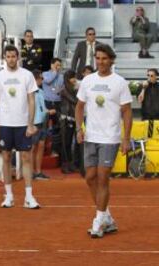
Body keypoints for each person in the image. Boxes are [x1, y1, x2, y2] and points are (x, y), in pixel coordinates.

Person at [75, 44, 132, 238]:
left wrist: (126, 138)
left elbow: (127, 111)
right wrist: (79, 129)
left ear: (111, 60)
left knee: (102, 176)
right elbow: (79, 106)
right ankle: (107, 217)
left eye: (104, 58)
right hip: (91, 136)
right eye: (98, 58)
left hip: (110, 137)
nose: (100, 62)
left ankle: (98, 221)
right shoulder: (87, 81)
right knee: (90, 177)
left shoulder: (120, 82)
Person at [0, 45, 40, 209]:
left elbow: (32, 100)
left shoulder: (27, 75)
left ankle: (29, 196)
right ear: (5, 58)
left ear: (18, 57)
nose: (11, 59)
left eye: (14, 56)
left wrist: (30, 123)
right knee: (5, 158)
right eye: (8, 56)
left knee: (26, 158)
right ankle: (9, 196)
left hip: (22, 123)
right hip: (5, 123)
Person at [32, 70, 54, 180]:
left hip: (42, 122)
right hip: (34, 123)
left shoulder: (40, 92)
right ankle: (30, 172)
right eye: (40, 78)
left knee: (40, 147)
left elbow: (43, 108)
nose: (42, 80)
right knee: (33, 148)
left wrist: (48, 112)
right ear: (35, 79)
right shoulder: (28, 92)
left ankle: (38, 172)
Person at [60, 70, 78, 174]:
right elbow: (75, 101)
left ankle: (70, 164)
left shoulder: (72, 89)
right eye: (72, 78)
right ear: (68, 79)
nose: (74, 80)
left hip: (72, 118)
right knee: (65, 143)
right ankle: (64, 165)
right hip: (65, 119)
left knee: (70, 142)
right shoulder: (64, 90)